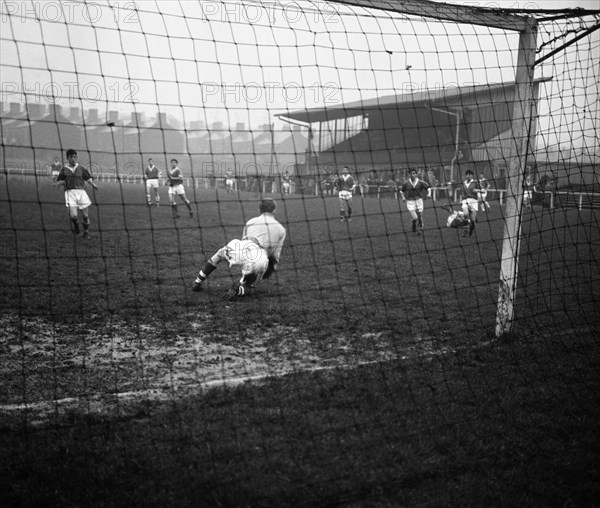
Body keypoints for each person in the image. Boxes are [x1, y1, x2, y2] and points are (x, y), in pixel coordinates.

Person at [192, 198, 286, 301]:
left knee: (219, 255)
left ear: (259, 210)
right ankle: (240, 288)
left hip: (240, 245)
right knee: (250, 285)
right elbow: (275, 255)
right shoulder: (281, 229)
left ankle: (198, 281)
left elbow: (244, 242)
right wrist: (268, 269)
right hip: (259, 256)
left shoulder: (251, 221)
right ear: (274, 210)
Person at [56, 148, 98, 239]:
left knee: (85, 215)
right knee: (73, 216)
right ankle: (76, 224)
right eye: (71, 157)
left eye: (75, 157)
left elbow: (88, 178)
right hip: (69, 193)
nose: (73, 159)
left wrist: (93, 185)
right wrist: (61, 183)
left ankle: (86, 232)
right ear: (68, 158)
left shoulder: (81, 168)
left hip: (81, 192)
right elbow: (59, 180)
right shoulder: (64, 169)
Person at [399, 168, 431, 235]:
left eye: (414, 173)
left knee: (420, 217)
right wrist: (403, 197)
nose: (412, 175)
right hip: (410, 201)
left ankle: (420, 231)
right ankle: (413, 222)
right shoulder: (406, 183)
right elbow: (401, 191)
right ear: (409, 175)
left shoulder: (420, 182)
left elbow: (428, 187)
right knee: (415, 217)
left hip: (419, 201)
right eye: (411, 173)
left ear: (416, 174)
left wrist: (429, 194)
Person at [460, 169, 480, 237]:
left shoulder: (475, 182)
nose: (468, 176)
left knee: (473, 220)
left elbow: (483, 190)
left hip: (474, 201)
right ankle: (465, 230)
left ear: (472, 175)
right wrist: (461, 200)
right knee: (465, 214)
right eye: (467, 174)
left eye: (470, 174)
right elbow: (462, 193)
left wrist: (476, 190)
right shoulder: (463, 183)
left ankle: (471, 229)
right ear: (465, 175)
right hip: (465, 200)